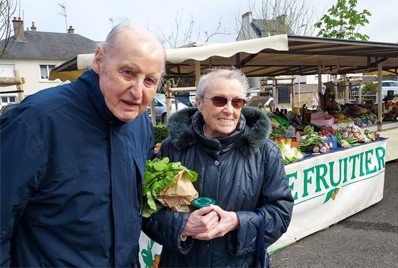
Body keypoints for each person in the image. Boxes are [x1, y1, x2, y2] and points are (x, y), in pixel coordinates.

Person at [0, 23, 165, 267]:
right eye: (128, 73)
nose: (137, 92)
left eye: (150, 80)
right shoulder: (34, 123)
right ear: (99, 60)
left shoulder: (140, 126)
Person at [143, 68, 294, 267]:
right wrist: (184, 226)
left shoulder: (265, 152)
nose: (229, 110)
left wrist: (237, 222)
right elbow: (146, 211)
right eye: (219, 100)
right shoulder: (173, 148)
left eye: (237, 102)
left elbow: (280, 213)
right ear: (198, 103)